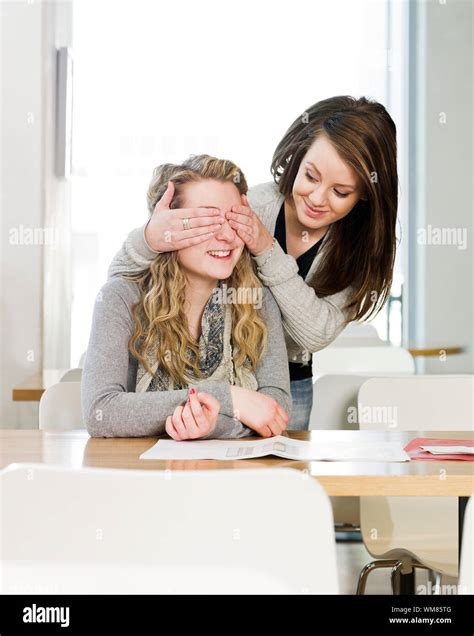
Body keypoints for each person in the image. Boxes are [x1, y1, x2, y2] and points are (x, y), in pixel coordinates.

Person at [107, 96, 398, 429]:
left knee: (274, 473)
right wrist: (150, 236)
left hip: (288, 382)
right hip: (219, 372)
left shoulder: (359, 250)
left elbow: (315, 335)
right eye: (311, 176)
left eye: (340, 192)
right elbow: (125, 282)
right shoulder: (253, 205)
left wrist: (265, 248)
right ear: (297, 156)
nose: (317, 198)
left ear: (365, 193)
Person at [81, 155, 291, 439]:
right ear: (168, 227)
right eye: (207, 221)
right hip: (138, 475)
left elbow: (274, 411)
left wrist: (212, 424)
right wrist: (229, 398)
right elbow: (101, 413)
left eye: (234, 219)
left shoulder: (258, 299)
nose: (228, 236)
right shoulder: (119, 298)